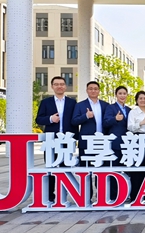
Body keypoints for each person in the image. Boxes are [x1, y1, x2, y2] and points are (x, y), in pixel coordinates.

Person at [35, 75, 77, 203]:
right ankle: (50, 196)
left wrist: (76, 138)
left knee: (66, 168)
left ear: (65, 86)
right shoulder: (45, 102)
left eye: (62, 84)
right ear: (52, 86)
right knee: (50, 168)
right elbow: (38, 119)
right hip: (51, 141)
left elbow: (75, 121)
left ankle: (64, 196)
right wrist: (50, 119)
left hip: (66, 140)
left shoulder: (72, 102)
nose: (59, 86)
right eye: (56, 84)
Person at [103, 85, 131, 200]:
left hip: (127, 144)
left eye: (124, 93)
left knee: (126, 170)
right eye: (120, 93)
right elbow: (105, 122)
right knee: (114, 170)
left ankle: (124, 193)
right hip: (114, 143)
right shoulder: (111, 108)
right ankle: (114, 195)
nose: (122, 96)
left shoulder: (129, 110)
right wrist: (115, 119)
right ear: (116, 95)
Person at [71, 80, 109, 163]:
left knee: (101, 167)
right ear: (87, 90)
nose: (93, 91)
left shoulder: (105, 105)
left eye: (95, 89)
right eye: (90, 89)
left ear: (99, 91)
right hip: (86, 141)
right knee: (86, 167)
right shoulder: (80, 105)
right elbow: (74, 121)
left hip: (102, 140)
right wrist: (86, 116)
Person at [127, 91, 145, 200]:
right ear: (137, 100)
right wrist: (140, 123)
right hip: (136, 139)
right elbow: (130, 127)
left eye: (144, 98)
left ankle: (143, 196)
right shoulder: (133, 112)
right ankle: (135, 196)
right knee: (137, 168)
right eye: (140, 98)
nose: (143, 100)